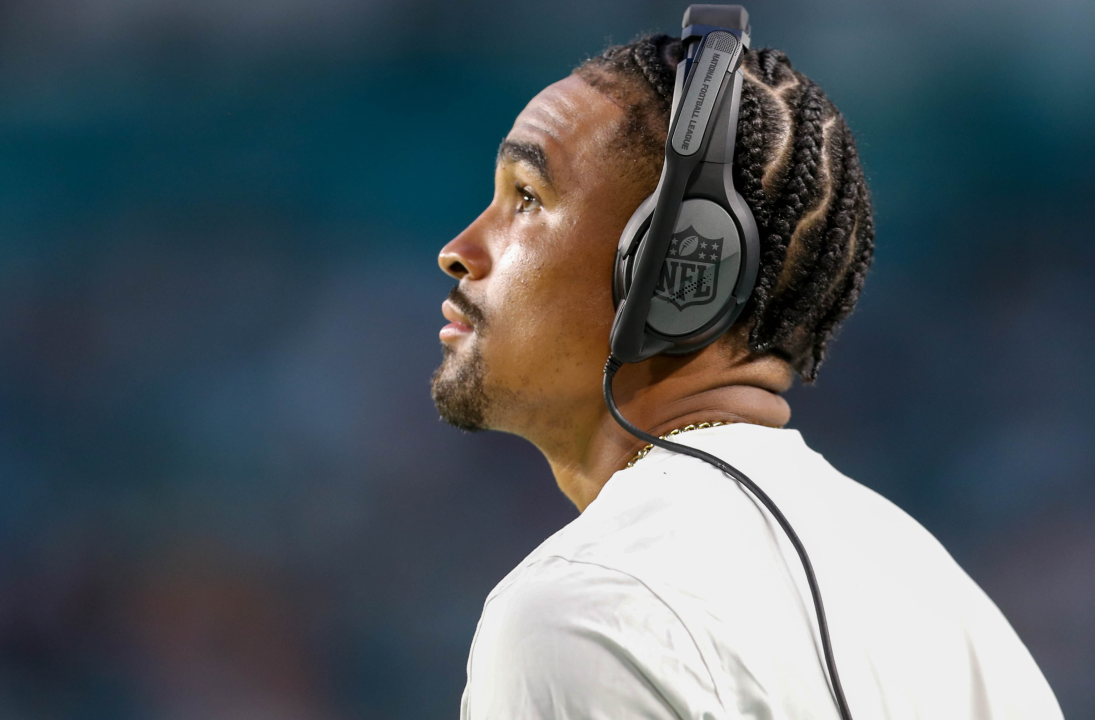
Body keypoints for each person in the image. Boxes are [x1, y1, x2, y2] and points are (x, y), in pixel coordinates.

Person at [431, 31, 1063, 720]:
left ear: (673, 273)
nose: (457, 251)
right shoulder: (951, 604)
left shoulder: (583, 609)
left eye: (526, 196)